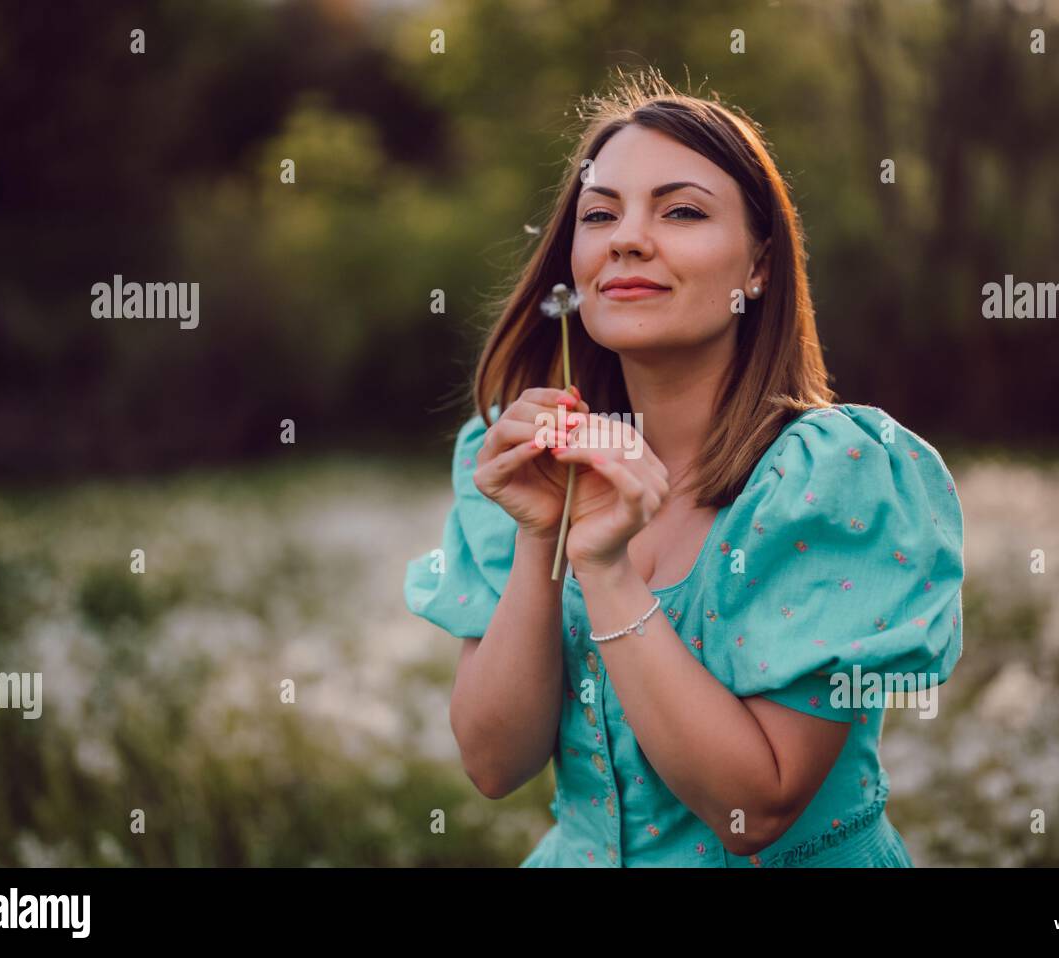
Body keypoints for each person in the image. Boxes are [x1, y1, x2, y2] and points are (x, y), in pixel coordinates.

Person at [404, 67, 965, 867]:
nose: (628, 237)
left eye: (682, 211)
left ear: (760, 267)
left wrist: (605, 569)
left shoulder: (833, 476)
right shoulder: (523, 460)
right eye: (601, 215)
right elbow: (494, 765)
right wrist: (543, 538)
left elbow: (755, 811)